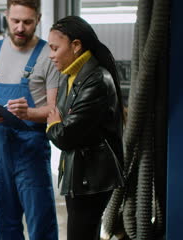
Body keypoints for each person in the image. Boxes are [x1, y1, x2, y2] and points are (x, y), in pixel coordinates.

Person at [0, 0, 59, 240]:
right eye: (15, 21)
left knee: (40, 222)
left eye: (28, 22)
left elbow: (54, 111)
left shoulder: (49, 55)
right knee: (6, 222)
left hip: (31, 151)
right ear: (6, 17)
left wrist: (29, 112)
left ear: (39, 19)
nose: (20, 28)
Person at [46, 15, 125, 240]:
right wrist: (58, 121)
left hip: (93, 176)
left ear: (76, 46)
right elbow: (63, 121)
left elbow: (64, 135)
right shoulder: (70, 76)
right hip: (79, 171)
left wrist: (54, 123)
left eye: (55, 48)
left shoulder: (97, 80)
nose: (51, 55)